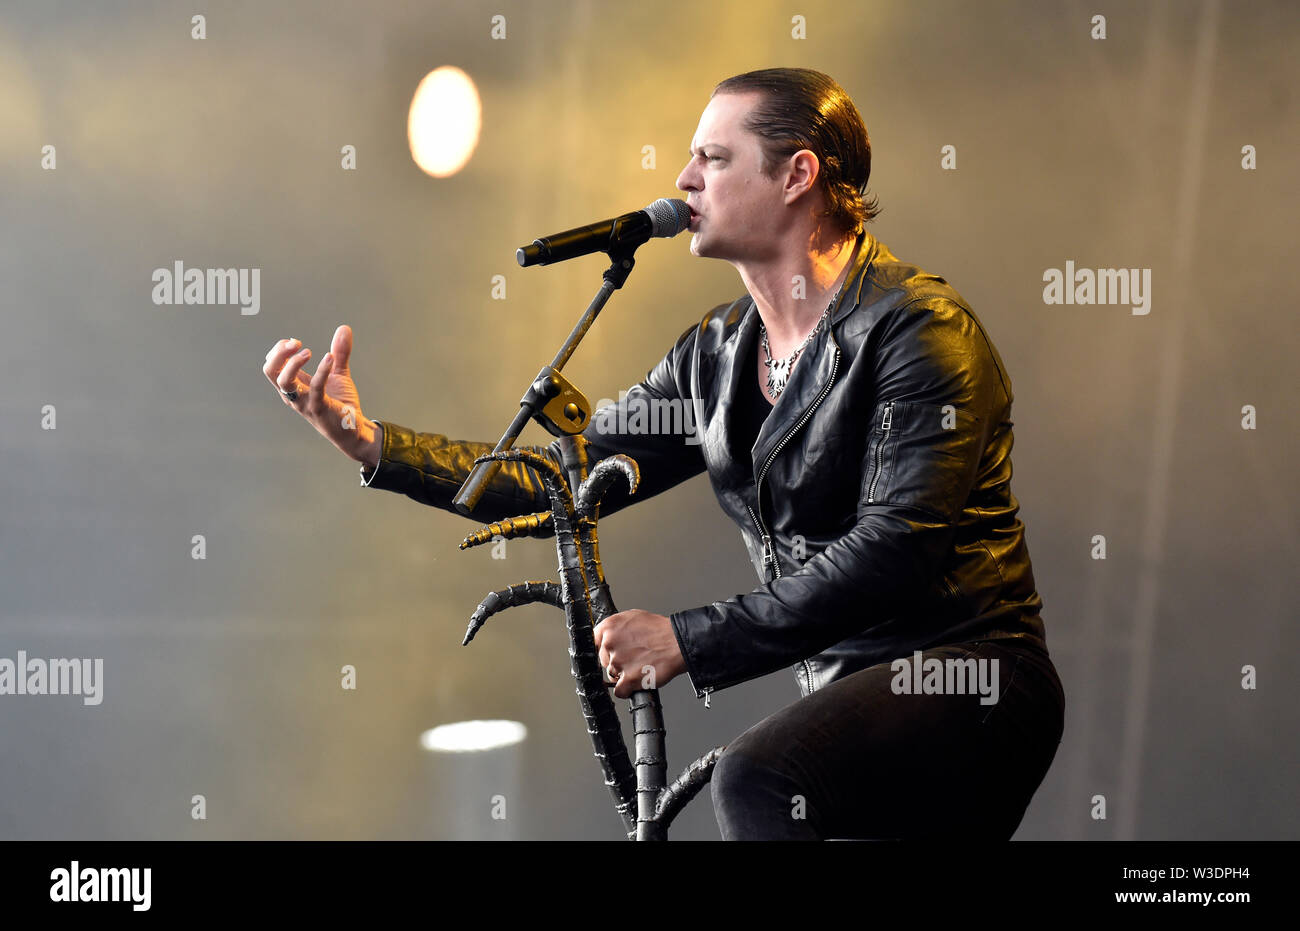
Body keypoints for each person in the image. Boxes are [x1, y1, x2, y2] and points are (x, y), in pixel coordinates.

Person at [263, 67, 1064, 841]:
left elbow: (898, 549)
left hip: (972, 678)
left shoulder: (919, 331)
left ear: (798, 175)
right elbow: (561, 484)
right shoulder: (714, 356)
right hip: (847, 699)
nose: (684, 178)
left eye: (713, 158)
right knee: (767, 782)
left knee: (754, 776)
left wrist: (690, 636)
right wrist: (371, 442)